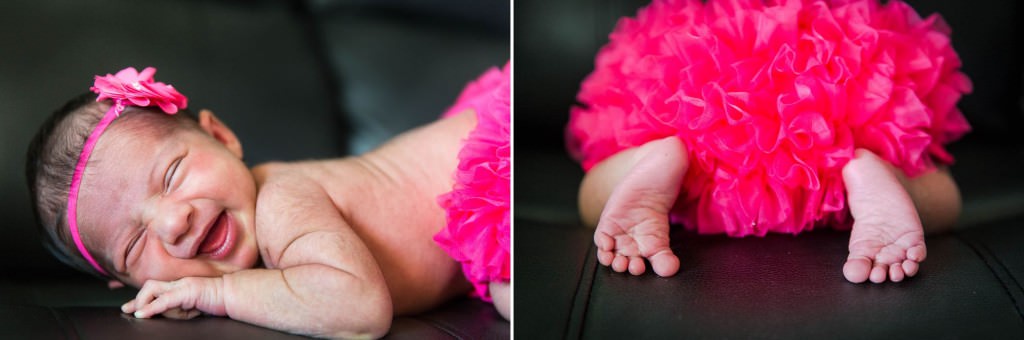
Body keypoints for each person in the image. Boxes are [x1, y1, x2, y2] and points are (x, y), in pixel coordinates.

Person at [26, 64, 510, 338]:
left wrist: (214, 293)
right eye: (134, 244)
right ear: (127, 284)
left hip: (491, 170)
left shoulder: (281, 200)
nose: (174, 221)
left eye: (172, 174)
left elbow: (361, 308)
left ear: (222, 136)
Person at [568, 0, 969, 284]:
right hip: (840, 99)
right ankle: (877, 172)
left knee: (593, 197)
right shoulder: (857, 25)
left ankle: (649, 158)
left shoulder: (676, 31)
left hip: (694, 101)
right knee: (941, 192)